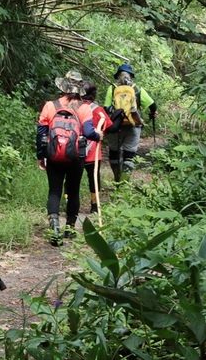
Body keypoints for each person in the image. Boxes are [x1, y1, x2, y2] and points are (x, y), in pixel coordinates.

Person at [37, 69, 98, 245]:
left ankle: (54, 226)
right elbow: (89, 132)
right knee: (73, 191)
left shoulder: (50, 106)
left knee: (54, 191)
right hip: (76, 157)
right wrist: (98, 135)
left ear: (63, 86)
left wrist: (41, 156)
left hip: (53, 155)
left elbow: (41, 134)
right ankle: (70, 229)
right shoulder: (84, 108)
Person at [103, 63, 157, 182]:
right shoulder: (137, 89)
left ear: (117, 76)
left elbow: (106, 108)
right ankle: (124, 183)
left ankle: (117, 179)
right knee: (129, 155)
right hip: (133, 125)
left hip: (115, 125)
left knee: (114, 152)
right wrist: (152, 113)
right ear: (131, 76)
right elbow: (153, 105)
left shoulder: (112, 88)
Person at [72, 80, 112, 230]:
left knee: (72, 179)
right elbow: (109, 126)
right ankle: (94, 205)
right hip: (93, 152)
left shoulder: (73, 107)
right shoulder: (98, 109)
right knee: (93, 179)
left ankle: (68, 201)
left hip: (74, 150)